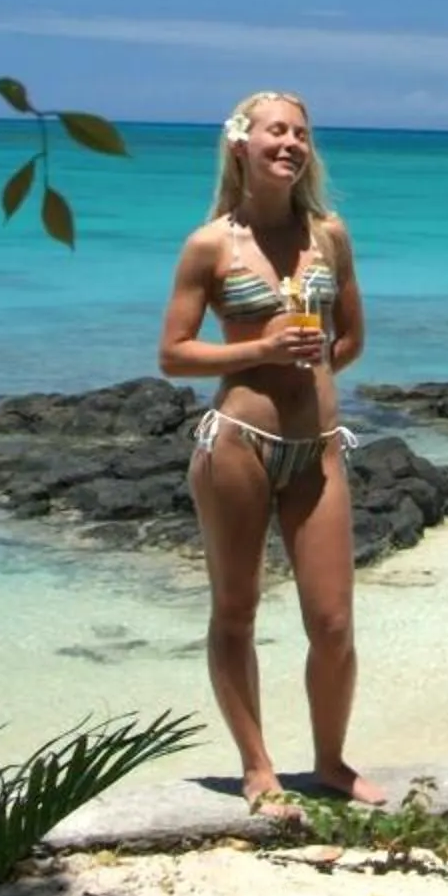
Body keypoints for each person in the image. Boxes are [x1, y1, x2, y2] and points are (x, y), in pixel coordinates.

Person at [159, 92, 383, 811]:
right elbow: (173, 354)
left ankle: (331, 763)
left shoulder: (331, 235)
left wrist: (310, 377)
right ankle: (257, 766)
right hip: (237, 445)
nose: (290, 143)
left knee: (334, 621)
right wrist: (260, 350)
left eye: (301, 134)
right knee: (236, 611)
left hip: (317, 448)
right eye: (275, 131)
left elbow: (350, 339)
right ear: (241, 145)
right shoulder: (209, 245)